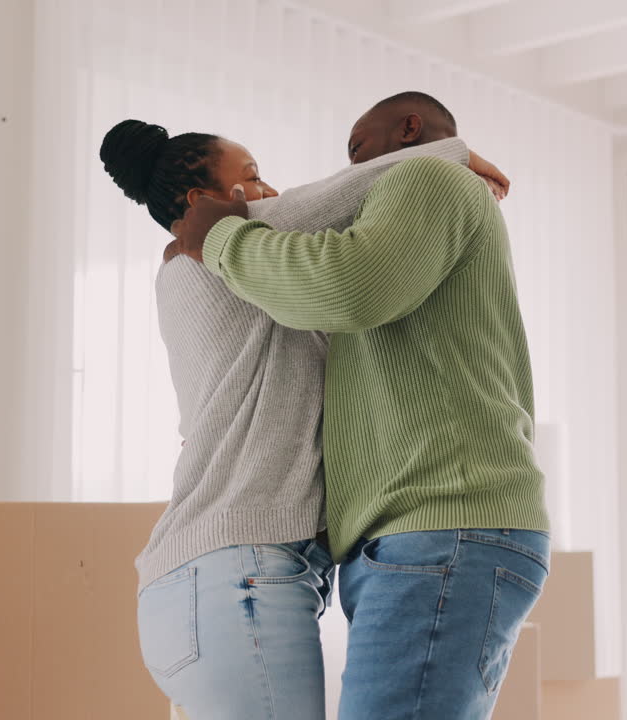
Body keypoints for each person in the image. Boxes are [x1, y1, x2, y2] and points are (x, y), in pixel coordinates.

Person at [100, 94, 508, 720]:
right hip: (234, 570)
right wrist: (445, 154)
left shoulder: (242, 277)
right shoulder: (203, 253)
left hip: (210, 580)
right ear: (200, 207)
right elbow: (337, 197)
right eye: (254, 178)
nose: (273, 190)